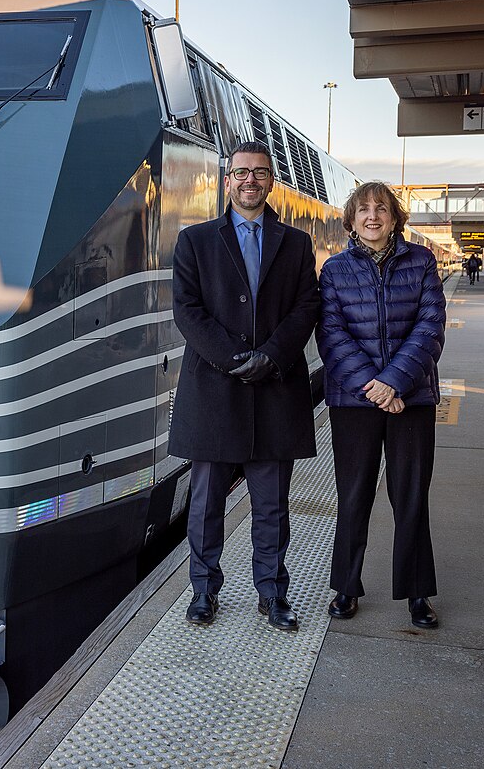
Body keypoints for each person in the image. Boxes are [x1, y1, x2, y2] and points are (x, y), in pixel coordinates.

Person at [170, 140, 321, 631]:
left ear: (271, 181)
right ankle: (203, 591)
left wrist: (272, 356)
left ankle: (273, 594)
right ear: (227, 180)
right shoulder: (194, 241)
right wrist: (237, 358)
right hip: (214, 391)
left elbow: (306, 307)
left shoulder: (296, 244)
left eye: (259, 172)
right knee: (206, 503)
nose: (250, 180)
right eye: (241, 173)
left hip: (275, 390)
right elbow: (187, 312)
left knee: (273, 506)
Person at [316, 181, 446, 629]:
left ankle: (416, 594)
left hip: (413, 397)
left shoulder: (422, 261)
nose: (373, 216)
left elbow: (430, 326)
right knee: (353, 496)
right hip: (353, 401)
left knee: (410, 495)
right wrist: (372, 387)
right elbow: (331, 335)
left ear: (395, 218)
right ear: (351, 220)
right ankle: (346, 587)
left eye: (382, 209)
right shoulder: (334, 270)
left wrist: (393, 384)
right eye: (364, 210)